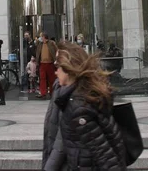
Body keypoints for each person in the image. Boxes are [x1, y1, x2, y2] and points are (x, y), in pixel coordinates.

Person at [44, 42, 126, 170]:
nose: (56, 72)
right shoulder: (75, 96)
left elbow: (105, 155)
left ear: (68, 69)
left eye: (58, 67)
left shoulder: (79, 106)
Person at [36, 33, 57, 99]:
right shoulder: (40, 44)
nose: (41, 38)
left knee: (51, 79)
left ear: (44, 37)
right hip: (42, 63)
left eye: (41, 37)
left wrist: (56, 60)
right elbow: (37, 53)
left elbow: (56, 51)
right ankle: (43, 93)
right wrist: (37, 62)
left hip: (50, 63)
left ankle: (52, 92)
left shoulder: (51, 43)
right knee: (42, 79)